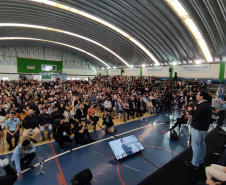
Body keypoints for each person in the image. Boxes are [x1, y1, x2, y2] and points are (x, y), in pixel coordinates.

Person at [185, 91, 212, 169]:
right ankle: (200, 160)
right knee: (202, 144)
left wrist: (191, 110)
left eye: (197, 94)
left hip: (198, 128)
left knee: (196, 146)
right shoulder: (206, 104)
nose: (196, 95)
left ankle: (194, 163)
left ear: (201, 96)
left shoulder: (203, 106)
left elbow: (196, 117)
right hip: (202, 128)